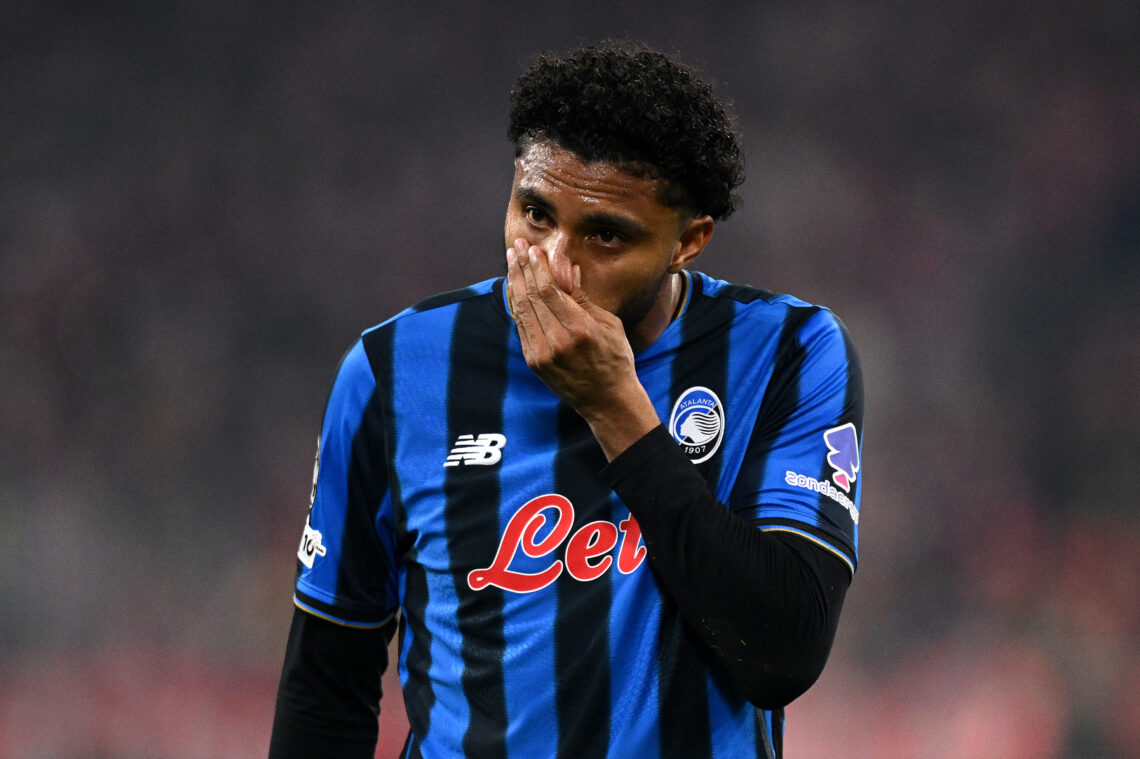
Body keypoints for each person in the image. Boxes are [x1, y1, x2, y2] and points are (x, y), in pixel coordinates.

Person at [269, 42, 863, 759]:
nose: (554, 262)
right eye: (535, 213)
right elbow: (327, 683)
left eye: (606, 235)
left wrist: (617, 407)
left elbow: (784, 652)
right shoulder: (394, 370)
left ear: (690, 240)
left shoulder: (787, 353)